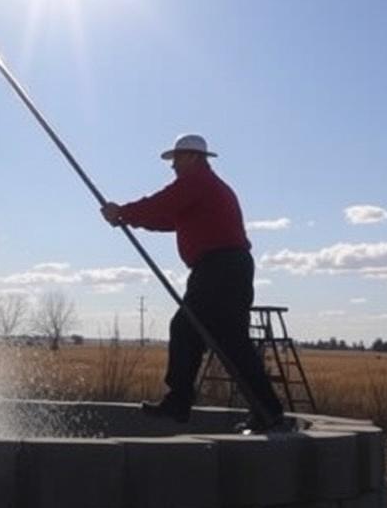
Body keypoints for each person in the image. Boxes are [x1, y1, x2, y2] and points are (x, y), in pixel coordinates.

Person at [100, 133, 286, 430]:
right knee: (231, 343)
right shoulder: (206, 189)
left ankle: (179, 400)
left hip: (219, 268)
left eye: (176, 159)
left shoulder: (196, 182)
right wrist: (127, 218)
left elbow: (163, 204)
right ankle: (268, 412)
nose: (173, 166)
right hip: (228, 268)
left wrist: (122, 212)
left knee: (185, 327)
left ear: (193, 158)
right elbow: (166, 219)